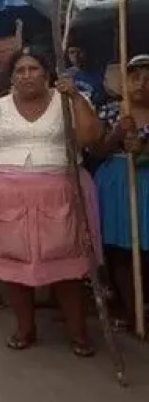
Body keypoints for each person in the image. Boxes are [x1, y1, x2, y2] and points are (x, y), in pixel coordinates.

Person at [0, 48, 103, 356]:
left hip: (61, 194)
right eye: (20, 71)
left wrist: (76, 97)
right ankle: (25, 328)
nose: (27, 75)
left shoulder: (67, 100)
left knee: (67, 265)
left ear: (48, 72)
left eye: (34, 69)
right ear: (11, 77)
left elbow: (91, 139)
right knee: (14, 267)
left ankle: (77, 332)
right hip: (7, 197)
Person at [94, 54, 149, 331]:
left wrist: (143, 149)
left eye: (148, 78)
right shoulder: (110, 110)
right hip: (117, 183)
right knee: (120, 250)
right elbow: (97, 150)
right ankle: (131, 310)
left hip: (146, 185)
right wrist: (118, 132)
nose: (142, 84)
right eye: (135, 77)